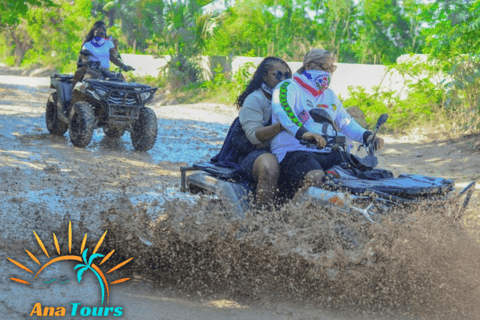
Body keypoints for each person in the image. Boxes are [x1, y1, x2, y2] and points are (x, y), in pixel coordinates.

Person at [270, 49, 384, 192]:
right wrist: (304, 133)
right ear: (308, 65)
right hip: (294, 150)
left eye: (332, 68)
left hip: (327, 151)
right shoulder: (288, 87)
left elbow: (346, 122)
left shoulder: (329, 95)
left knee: (366, 175)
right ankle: (291, 214)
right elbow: (284, 111)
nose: (328, 72)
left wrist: (367, 136)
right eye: (324, 67)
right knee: (317, 179)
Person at [236, 57, 292, 208]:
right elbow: (254, 137)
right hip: (253, 152)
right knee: (269, 167)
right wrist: (283, 126)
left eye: (287, 76)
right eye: (278, 75)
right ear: (264, 76)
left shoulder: (293, 98)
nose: (283, 79)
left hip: (288, 149)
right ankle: (262, 218)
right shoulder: (255, 99)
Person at [72, 21, 133, 87]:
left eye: (102, 33)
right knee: (88, 80)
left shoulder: (108, 43)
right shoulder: (87, 45)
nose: (99, 35)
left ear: (104, 33)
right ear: (93, 32)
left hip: (107, 72)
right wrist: (91, 64)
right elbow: (84, 60)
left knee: (121, 78)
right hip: (92, 71)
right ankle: (73, 94)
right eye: (97, 32)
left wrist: (123, 66)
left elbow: (113, 58)